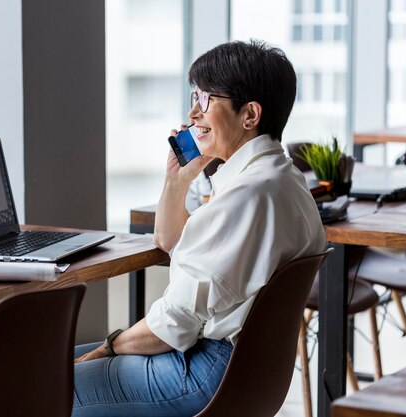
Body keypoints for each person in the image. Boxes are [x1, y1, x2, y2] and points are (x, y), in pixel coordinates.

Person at [72, 40, 326, 417]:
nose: (193, 112)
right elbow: (171, 241)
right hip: (245, 372)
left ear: (249, 115)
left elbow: (171, 326)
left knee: (38, 379)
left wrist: (108, 346)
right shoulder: (282, 177)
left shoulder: (247, 196)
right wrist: (177, 181)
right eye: (195, 96)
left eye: (206, 99)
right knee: (56, 361)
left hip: (202, 373)